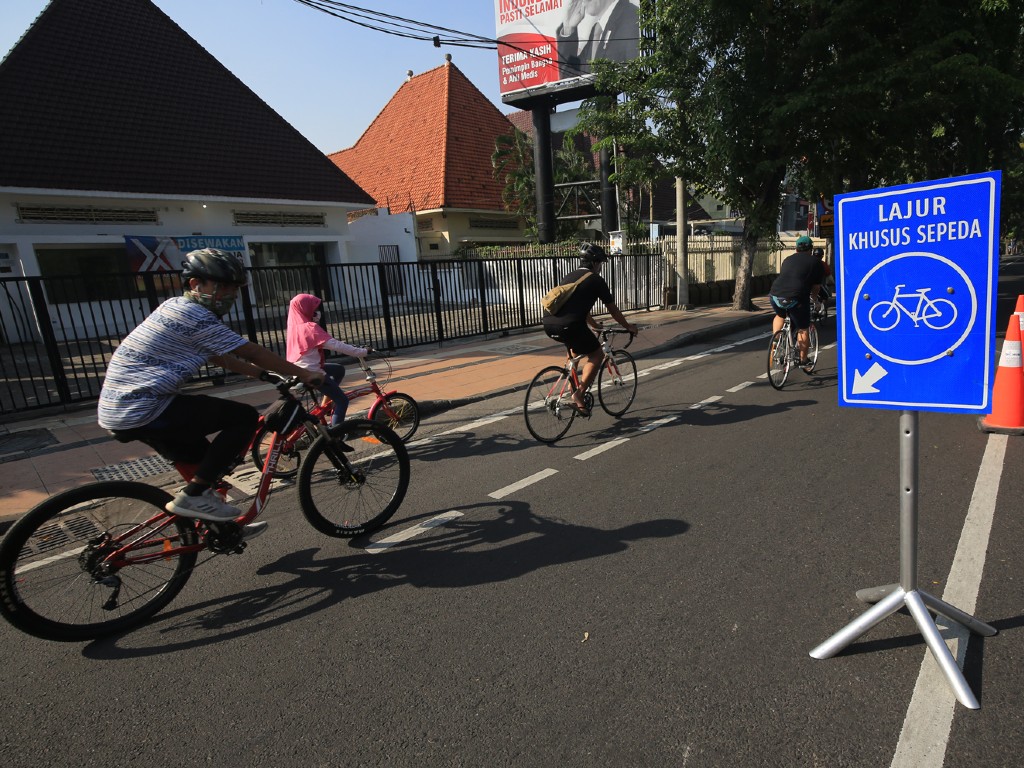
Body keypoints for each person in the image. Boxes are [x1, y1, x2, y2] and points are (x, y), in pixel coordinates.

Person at [98, 248, 324, 523]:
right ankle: (194, 495)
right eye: (224, 287)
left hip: (123, 407)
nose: (231, 295)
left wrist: (263, 375)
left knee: (207, 465)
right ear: (195, 284)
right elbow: (250, 351)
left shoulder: (173, 306)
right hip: (145, 406)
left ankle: (218, 526)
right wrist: (303, 373)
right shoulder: (195, 315)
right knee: (243, 417)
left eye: (235, 288)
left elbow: (219, 356)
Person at [542, 243, 639, 416]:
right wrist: (628, 327)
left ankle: (572, 388)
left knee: (574, 352)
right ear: (594, 263)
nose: (601, 267)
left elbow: (579, 309)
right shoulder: (595, 280)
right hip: (569, 325)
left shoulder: (570, 276)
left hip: (549, 324)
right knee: (596, 354)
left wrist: (594, 326)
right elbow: (613, 309)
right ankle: (578, 394)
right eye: (600, 263)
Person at [286, 293, 369, 430]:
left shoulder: (294, 326)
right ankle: (336, 435)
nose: (317, 312)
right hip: (312, 372)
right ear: (305, 308)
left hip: (300, 370)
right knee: (342, 400)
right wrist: (363, 352)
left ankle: (327, 402)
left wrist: (342, 344)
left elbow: (326, 343)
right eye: (313, 308)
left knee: (338, 369)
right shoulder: (309, 327)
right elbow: (335, 346)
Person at [769, 235, 825, 369]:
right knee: (803, 328)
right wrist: (815, 300)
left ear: (796, 249)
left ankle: (776, 341)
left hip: (775, 295)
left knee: (780, 315)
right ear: (811, 249)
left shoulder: (787, 259)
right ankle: (803, 360)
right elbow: (816, 287)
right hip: (796, 298)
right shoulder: (816, 262)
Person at [557, 0, 639, 77]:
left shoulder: (632, 18)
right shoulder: (596, 31)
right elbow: (570, 79)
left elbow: (636, 79)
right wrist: (568, 28)